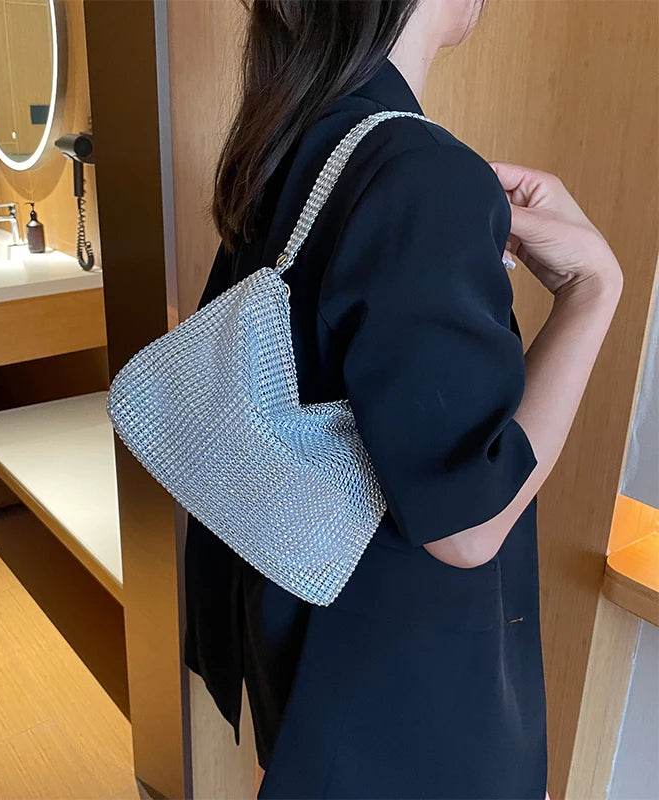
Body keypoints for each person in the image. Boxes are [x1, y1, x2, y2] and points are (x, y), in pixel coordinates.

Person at [182, 1, 623, 798]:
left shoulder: (292, 139)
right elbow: (468, 525)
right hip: (404, 703)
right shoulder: (414, 171)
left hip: (302, 647)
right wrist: (594, 292)